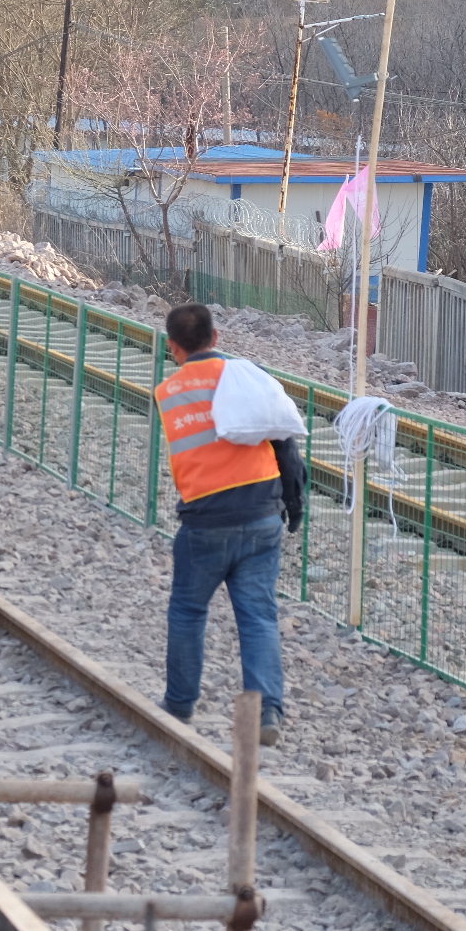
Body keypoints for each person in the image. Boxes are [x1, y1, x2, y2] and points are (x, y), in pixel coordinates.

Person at [154, 303, 306, 746]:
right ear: (216, 338)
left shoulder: (168, 392)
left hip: (204, 520)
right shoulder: (247, 376)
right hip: (262, 513)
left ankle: (180, 704)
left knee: (187, 610)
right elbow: (285, 446)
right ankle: (267, 712)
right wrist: (294, 504)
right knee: (258, 616)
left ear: (172, 348)